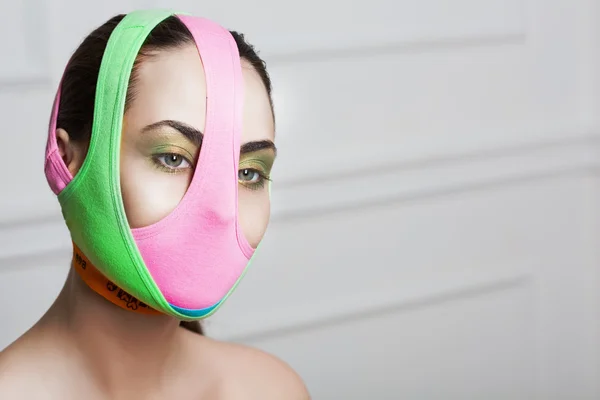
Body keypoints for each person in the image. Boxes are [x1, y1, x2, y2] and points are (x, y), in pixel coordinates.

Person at [0, 10, 310, 399]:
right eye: (172, 157)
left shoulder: (271, 390)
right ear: (66, 160)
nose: (221, 210)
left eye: (248, 172)